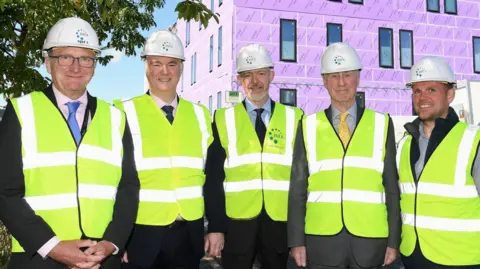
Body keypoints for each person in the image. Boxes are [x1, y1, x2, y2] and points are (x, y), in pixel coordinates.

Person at [0, 17, 140, 269]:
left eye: (85, 58)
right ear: (48, 62)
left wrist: (113, 242)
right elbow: (5, 191)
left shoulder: (116, 117)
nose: (76, 66)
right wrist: (51, 245)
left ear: (94, 65)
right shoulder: (21, 110)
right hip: (38, 257)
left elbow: (128, 188)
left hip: (101, 258)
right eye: (65, 57)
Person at [114, 30, 225, 269]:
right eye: (157, 64)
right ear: (146, 66)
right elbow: (112, 179)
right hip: (139, 235)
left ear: (182, 67)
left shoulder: (200, 115)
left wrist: (216, 227)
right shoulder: (121, 112)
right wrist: (116, 237)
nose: (164, 71)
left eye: (172, 64)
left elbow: (213, 178)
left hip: (189, 234)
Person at [288, 42, 401, 269]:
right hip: (321, 241)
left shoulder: (382, 123)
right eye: (334, 76)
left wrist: (394, 240)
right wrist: (296, 241)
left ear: (358, 78)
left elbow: (391, 187)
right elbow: (297, 189)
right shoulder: (308, 125)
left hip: (371, 241)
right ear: (324, 81)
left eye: (347, 75)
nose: (341, 83)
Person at [208, 43, 304, 269]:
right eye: (246, 75)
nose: (254, 81)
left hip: (279, 224)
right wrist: (216, 227)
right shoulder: (223, 119)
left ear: (271, 76)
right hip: (236, 225)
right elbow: (213, 179)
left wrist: (299, 232)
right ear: (239, 81)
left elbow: (302, 180)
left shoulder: (295, 118)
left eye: (261, 73)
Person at [397, 56, 480, 269]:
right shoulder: (405, 144)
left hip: (461, 261)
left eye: (431, 90)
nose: (422, 97)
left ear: (450, 95)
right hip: (412, 257)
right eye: (417, 91)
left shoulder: (473, 141)